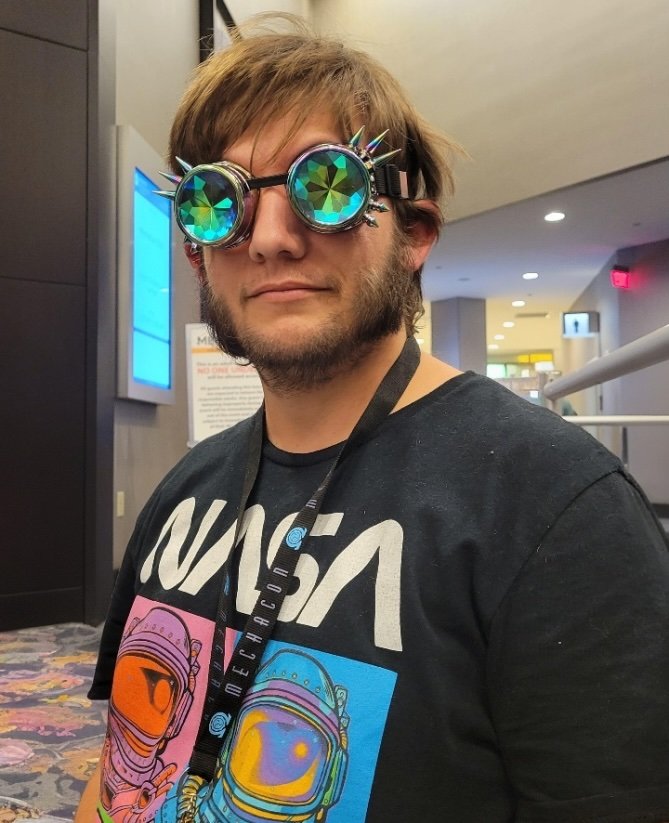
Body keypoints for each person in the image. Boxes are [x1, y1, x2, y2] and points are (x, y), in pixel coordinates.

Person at [76, 15, 669, 823]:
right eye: (220, 199)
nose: (272, 239)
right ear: (195, 250)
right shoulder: (184, 490)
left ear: (413, 235)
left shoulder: (554, 509)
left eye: (326, 188)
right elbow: (120, 769)